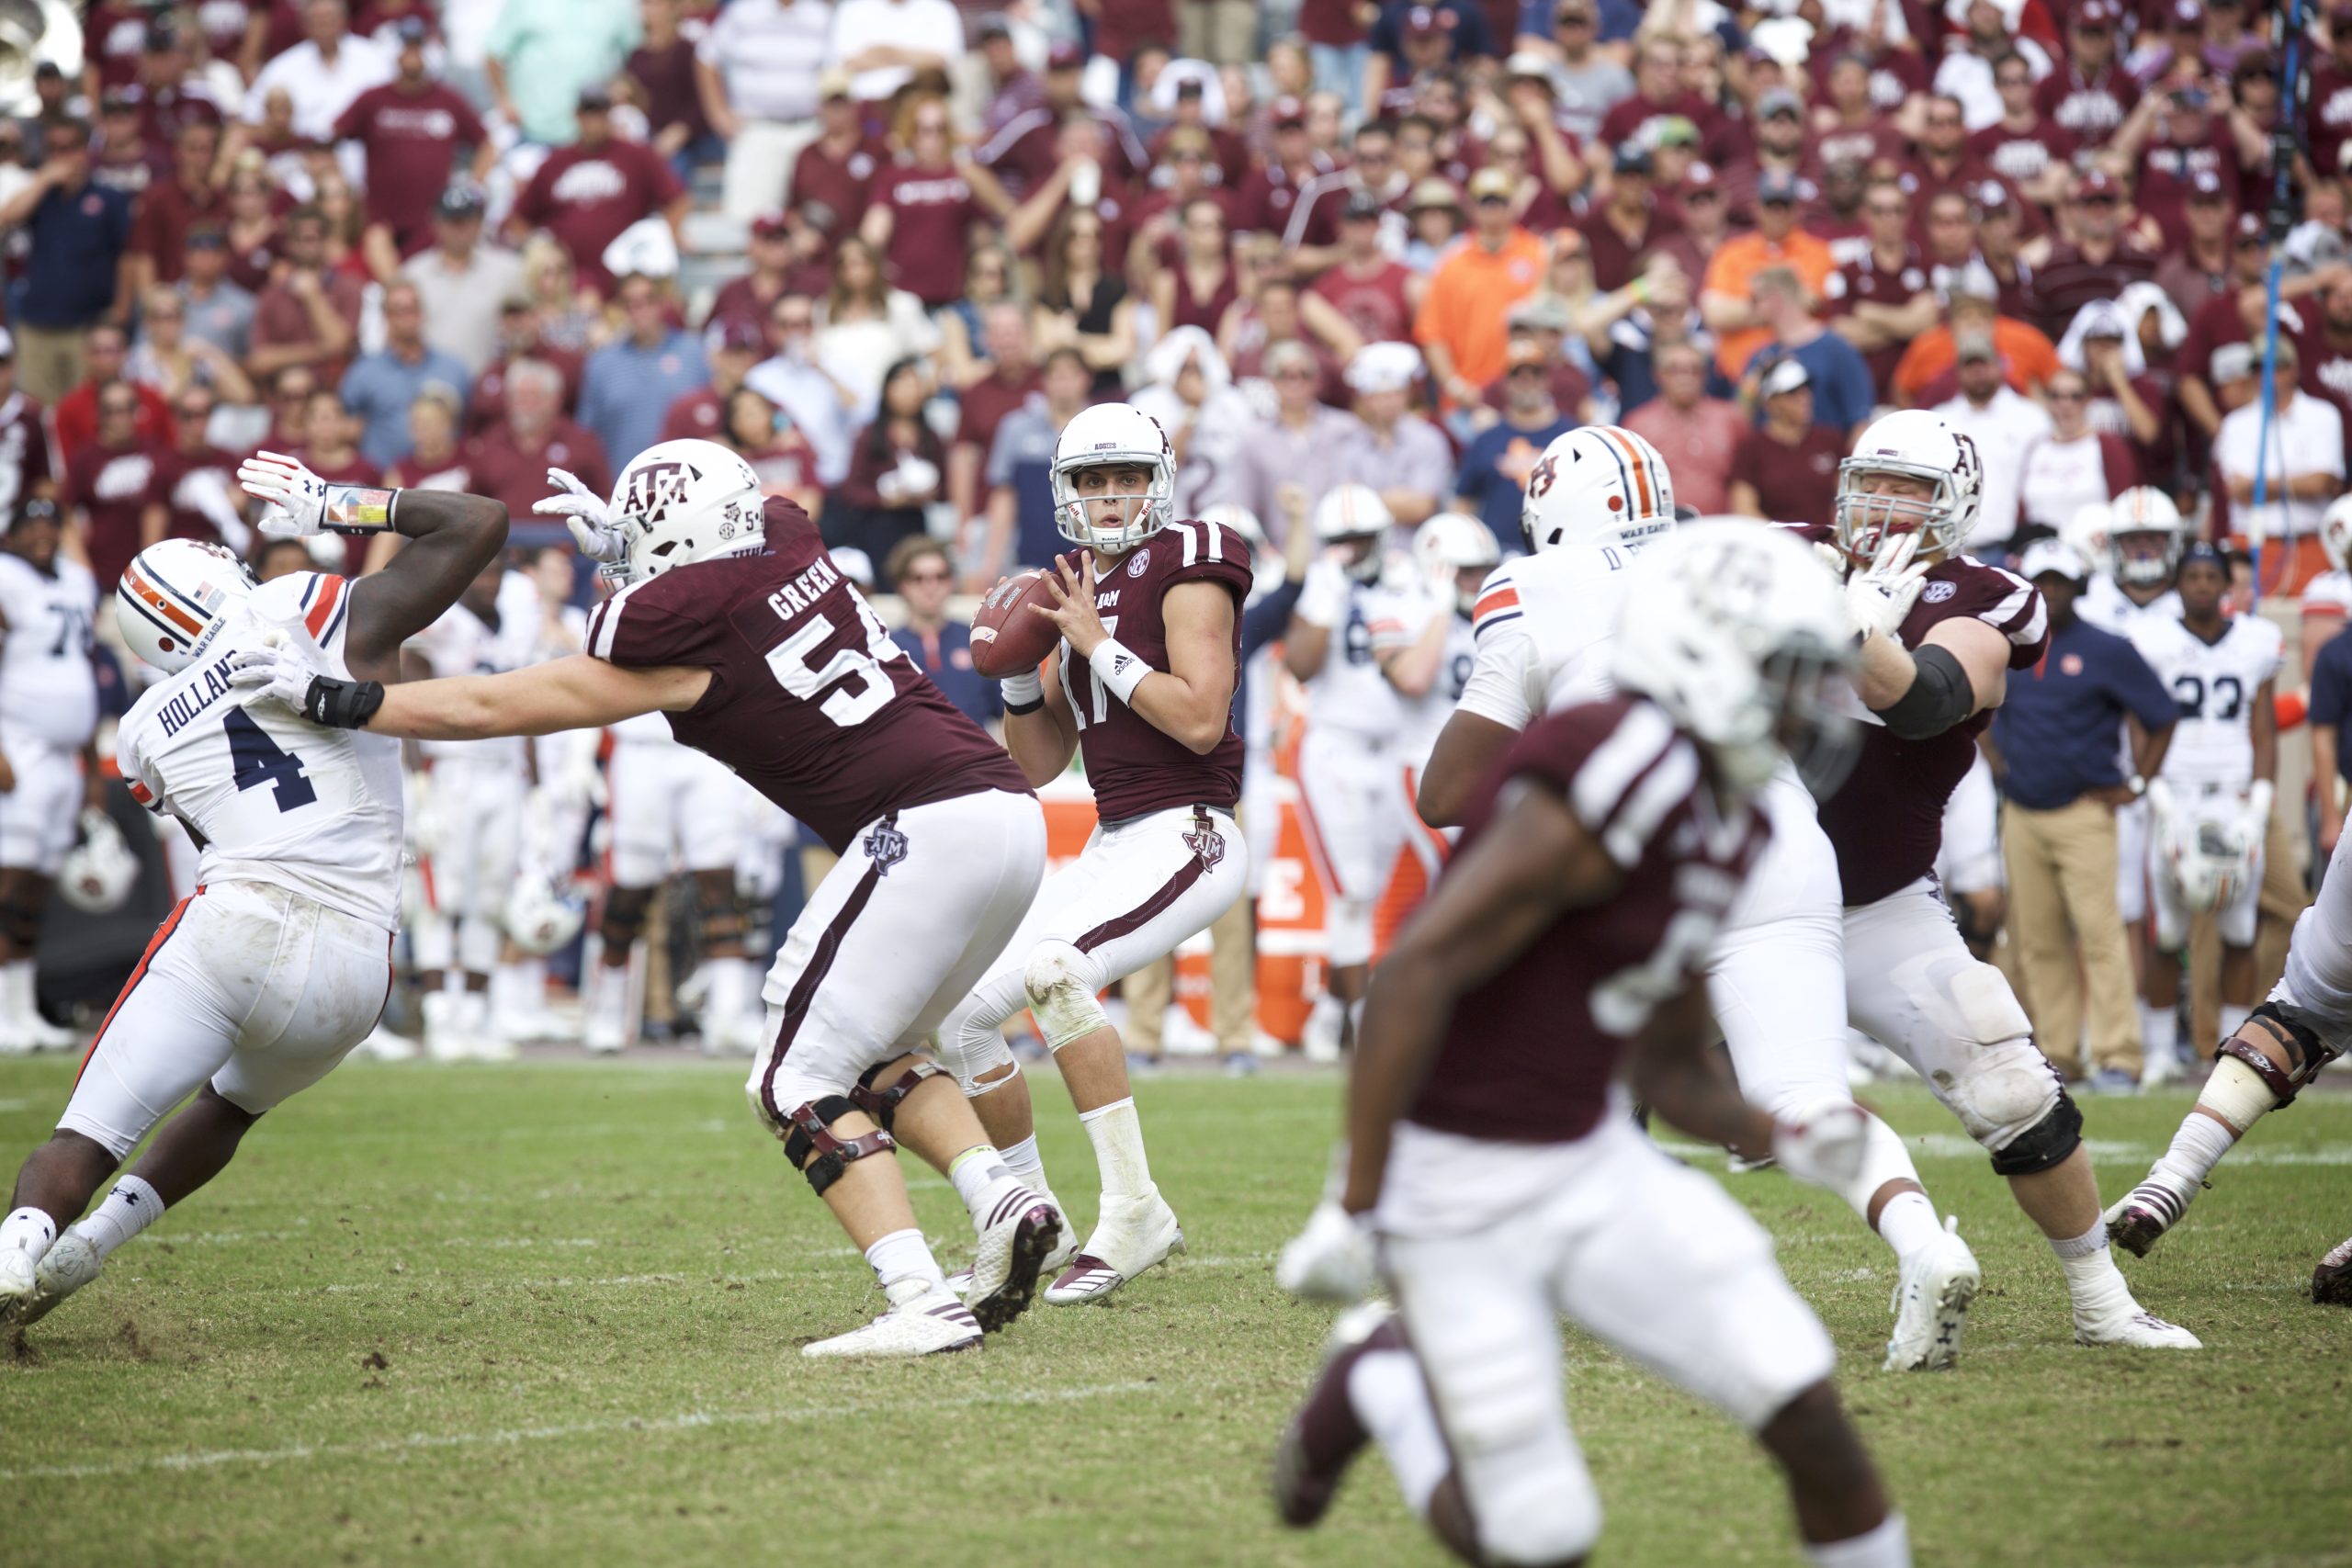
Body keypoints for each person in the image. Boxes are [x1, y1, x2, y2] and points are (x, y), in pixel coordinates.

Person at [231, 438, 1062, 1358]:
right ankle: (1004, 1200)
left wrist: (343, 700)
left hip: (924, 828)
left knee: (791, 1079)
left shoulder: (674, 632)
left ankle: (919, 1297)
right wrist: (632, 542)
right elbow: (752, 528)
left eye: (634, 542)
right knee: (878, 1052)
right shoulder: (786, 538)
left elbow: (493, 706)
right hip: (1003, 816)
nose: (618, 559)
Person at [1272, 524, 1912, 1568]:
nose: (1809, 705)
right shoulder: (1612, 760)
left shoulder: (1732, 811)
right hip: (1456, 1181)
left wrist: (1789, 1132)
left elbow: (1662, 1063)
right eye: (1789, 673)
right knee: (1539, 1535)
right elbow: (1414, 973)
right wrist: (1357, 1205)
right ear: (1710, 656)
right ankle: (1384, 1379)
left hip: (1591, 1153)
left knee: (1805, 1409)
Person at [1419, 421, 1984, 1371]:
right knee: (1804, 1091)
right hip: (1776, 835)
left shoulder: (1532, 584)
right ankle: (1926, 1243)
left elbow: (1445, 792)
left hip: (1645, 845)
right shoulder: (1737, 554)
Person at [0, 448, 505, 1332]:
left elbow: (210, 831)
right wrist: (334, 505)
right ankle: (98, 1245)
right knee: (231, 1106)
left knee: (84, 1136)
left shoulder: (144, 729)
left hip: (238, 919)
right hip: (354, 970)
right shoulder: (300, 608)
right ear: (222, 576)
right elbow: (478, 522)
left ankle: (21, 1243)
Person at [1801, 410, 2199, 1349]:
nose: (1887, 504)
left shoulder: (1986, 597)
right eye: (1874, 480)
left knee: (2010, 1085)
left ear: (1959, 506)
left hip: (1875, 904)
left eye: (1913, 489)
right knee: (1587, 1061)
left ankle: (2102, 1303)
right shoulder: (1786, 555)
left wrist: (1861, 632)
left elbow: (1927, 702)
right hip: (1729, 903)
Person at [938, 404, 1254, 1304]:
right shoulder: (1071, 579)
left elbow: (1199, 720)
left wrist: (1098, 646)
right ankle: (1031, 1221)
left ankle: (1135, 1211)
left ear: (1158, 480)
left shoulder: (1192, 554)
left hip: (1191, 829)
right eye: (1090, 479)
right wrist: (1011, 674)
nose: (1109, 495)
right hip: (1120, 837)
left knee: (1053, 970)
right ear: (1064, 489)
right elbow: (1038, 762)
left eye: (1124, 477)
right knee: (960, 1015)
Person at [1986, 540, 2177, 1090]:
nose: (2049, 593)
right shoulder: (2010, 646)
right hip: (2022, 813)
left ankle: (2119, 1055)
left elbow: (2161, 716)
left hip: (2085, 812)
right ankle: (2058, 1053)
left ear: (2080, 586)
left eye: (2059, 583)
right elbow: (1984, 713)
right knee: (2036, 941)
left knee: (2100, 935)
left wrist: (2137, 783)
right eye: (2040, 582)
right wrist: (1999, 764)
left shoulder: (2107, 648)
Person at [1284, 482, 1435, 1058]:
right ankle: (1364, 1020)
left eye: (1358, 539)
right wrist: (1325, 598)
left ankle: (1333, 1009)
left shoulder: (1409, 578)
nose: (1348, 549)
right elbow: (1300, 664)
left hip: (1397, 749)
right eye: (1339, 540)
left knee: (1376, 894)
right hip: (1337, 749)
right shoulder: (1323, 584)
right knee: (1352, 889)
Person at [2125, 543, 2280, 1085]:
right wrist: (2154, 790)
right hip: (2177, 791)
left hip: (2232, 794)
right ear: (2178, 583)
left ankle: (2234, 1049)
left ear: (2226, 584)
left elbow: (2262, 729)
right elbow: (2141, 719)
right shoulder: (2154, 640)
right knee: (2167, 929)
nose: (2201, 586)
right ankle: (2159, 1049)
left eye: (2211, 576)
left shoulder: (2257, 642)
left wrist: (2260, 802)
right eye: (2191, 576)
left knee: (2239, 926)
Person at [0, 498, 100, 1054]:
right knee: (7, 877)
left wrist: (87, 764)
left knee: (35, 888)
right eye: (29, 527)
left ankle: (19, 1008)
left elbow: (77, 673)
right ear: (8, 536)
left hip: (63, 754)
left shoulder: (71, 583)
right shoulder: (7, 578)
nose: (42, 535)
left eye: (49, 525)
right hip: (19, 744)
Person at [507, 87, 689, 299]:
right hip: (570, 281)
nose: (593, 120)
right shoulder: (555, 162)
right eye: (588, 113)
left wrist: (665, 237)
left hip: (627, 279)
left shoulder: (635, 156)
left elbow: (678, 200)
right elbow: (518, 218)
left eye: (599, 113)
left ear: (609, 115)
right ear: (577, 116)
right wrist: (542, 249)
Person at [0, 119, 133, 402]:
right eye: (55, 149)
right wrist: (44, 179)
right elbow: (7, 216)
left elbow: (126, 257)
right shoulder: (40, 194)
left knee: (85, 408)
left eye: (70, 147)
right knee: (38, 408)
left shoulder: (108, 198)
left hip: (87, 325)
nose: (63, 156)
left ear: (86, 149)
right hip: (37, 324)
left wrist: (121, 308)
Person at [2213, 336, 2345, 595]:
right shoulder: (2235, 424)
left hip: (2310, 544)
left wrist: (2259, 485)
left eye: (2277, 366)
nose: (2268, 375)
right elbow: (2239, 490)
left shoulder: (2323, 415)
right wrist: (2301, 483)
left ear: (2294, 370)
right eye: (2259, 368)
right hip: (2250, 549)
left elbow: (2323, 483)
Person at [579, 276, 708, 471]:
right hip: (624, 487)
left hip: (689, 486)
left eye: (648, 300)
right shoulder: (602, 363)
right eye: (630, 303)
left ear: (662, 303)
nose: (640, 310)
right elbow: (587, 434)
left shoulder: (694, 353)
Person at [1452, 340, 1576, 540]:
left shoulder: (1571, 437)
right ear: (1505, 382)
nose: (1526, 382)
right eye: (1517, 375)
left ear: (1546, 380)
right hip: (1498, 557)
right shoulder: (1486, 440)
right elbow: (1462, 505)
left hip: (1557, 553)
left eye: (1534, 374)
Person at [338, 281, 469, 470]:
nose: (407, 317)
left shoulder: (453, 369)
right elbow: (344, 426)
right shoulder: (364, 372)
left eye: (412, 309)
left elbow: (467, 427)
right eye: (398, 311)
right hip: (382, 484)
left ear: (423, 313)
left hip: (443, 484)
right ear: (386, 317)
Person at [401, 184, 524, 380]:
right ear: (436, 223)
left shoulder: (508, 270)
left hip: (487, 384)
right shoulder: (414, 273)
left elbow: (527, 323)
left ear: (479, 223)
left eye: (466, 220)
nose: (459, 228)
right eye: (452, 221)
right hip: (426, 386)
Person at [828, 357, 944, 563]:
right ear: (887, 389)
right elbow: (851, 490)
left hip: (915, 524)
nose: (910, 392)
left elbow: (945, 486)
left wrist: (928, 494)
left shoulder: (930, 437)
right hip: (876, 526)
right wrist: (885, 500)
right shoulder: (869, 435)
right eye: (902, 384)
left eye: (915, 384)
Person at [886, 535, 996, 728]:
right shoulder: (886, 649)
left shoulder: (977, 638)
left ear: (951, 581)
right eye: (918, 578)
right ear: (902, 585)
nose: (931, 586)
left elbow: (1005, 714)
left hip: (977, 755)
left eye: (940, 576)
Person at [1623, 340, 1745, 514]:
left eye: (1694, 370)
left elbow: (1747, 480)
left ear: (1705, 376)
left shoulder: (1729, 418)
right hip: (1663, 532)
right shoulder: (1638, 424)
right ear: (1658, 375)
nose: (1685, 378)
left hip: (1721, 529)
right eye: (1674, 370)